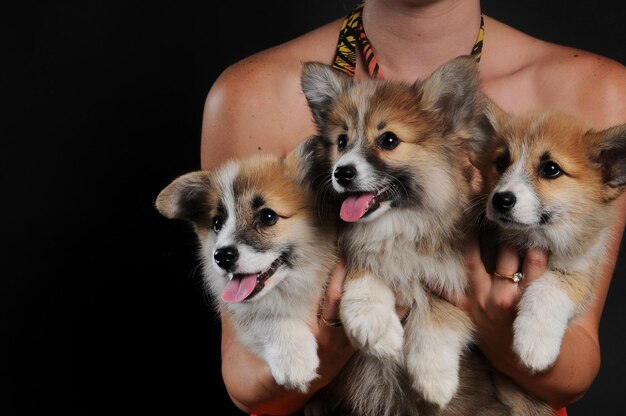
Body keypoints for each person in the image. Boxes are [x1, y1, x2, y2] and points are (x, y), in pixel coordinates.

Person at [200, 1, 626, 415]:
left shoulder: (596, 87)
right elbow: (247, 384)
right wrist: (332, 342)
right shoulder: (250, 92)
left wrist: (495, 332)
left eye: (387, 142)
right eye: (343, 143)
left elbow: (576, 370)